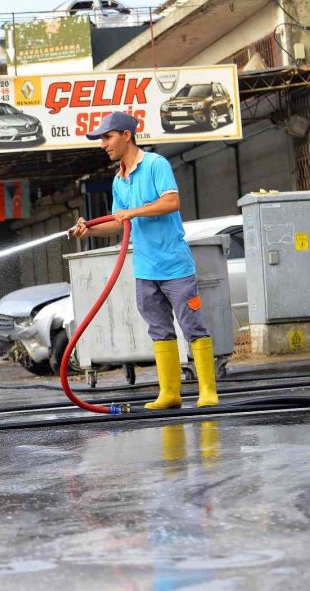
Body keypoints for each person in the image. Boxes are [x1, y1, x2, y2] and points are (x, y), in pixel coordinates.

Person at [70, 111, 218, 409]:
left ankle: (208, 392)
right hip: (145, 269)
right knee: (159, 329)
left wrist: (134, 212)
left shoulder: (155, 164)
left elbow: (171, 201)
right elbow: (118, 222)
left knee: (192, 327)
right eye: (101, 139)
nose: (103, 145)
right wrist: (89, 230)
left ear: (126, 135)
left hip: (175, 266)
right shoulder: (119, 180)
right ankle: (170, 393)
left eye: (107, 137)